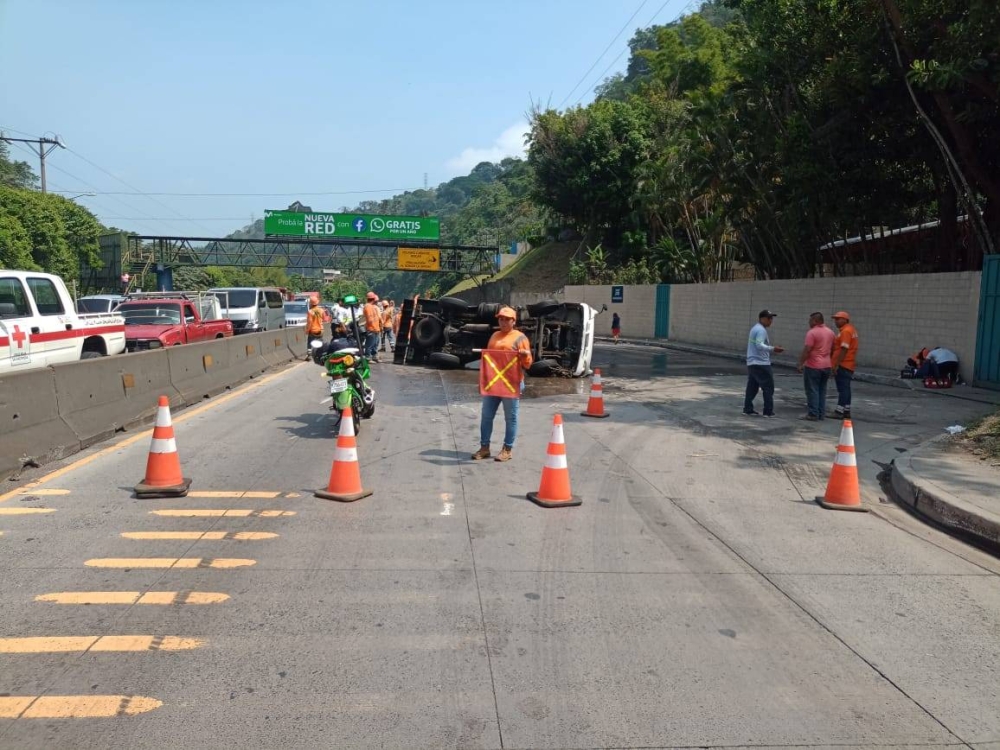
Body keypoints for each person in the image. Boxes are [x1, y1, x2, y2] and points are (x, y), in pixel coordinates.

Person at [472, 306, 533, 463]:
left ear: (514, 321)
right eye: (501, 319)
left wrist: (525, 356)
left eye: (507, 319)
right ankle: (484, 447)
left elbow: (528, 364)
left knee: (510, 418)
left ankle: (507, 449)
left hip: (511, 384)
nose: (503, 322)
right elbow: (489, 361)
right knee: (486, 416)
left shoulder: (520, 338)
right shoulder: (494, 336)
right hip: (493, 384)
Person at [744, 310, 784, 417]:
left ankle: (747, 408)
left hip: (752, 362)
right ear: (762, 318)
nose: (771, 321)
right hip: (761, 363)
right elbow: (759, 345)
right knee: (768, 387)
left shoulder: (755, 328)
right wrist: (773, 349)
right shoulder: (761, 330)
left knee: (752, 387)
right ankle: (768, 411)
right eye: (769, 318)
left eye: (771, 318)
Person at [796, 312, 835, 421]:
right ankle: (821, 413)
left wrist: (800, 363)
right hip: (826, 366)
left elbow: (807, 350)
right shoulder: (831, 332)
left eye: (810, 320)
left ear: (815, 321)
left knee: (812, 390)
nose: (809, 323)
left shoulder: (812, 333)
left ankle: (813, 414)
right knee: (822, 390)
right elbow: (834, 348)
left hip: (813, 366)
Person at [830, 311, 858, 419]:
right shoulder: (850, 330)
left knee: (843, 389)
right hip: (848, 364)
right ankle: (846, 410)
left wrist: (836, 364)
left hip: (844, 364)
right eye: (835, 319)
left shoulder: (846, 331)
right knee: (846, 388)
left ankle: (839, 411)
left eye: (838, 319)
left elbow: (844, 348)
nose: (836, 321)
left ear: (845, 320)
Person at [362, 292, 383, 362]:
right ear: (373, 299)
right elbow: (369, 319)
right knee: (369, 344)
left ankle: (374, 356)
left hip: (375, 328)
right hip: (371, 328)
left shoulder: (372, 306)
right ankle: (368, 357)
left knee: (375, 344)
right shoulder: (368, 306)